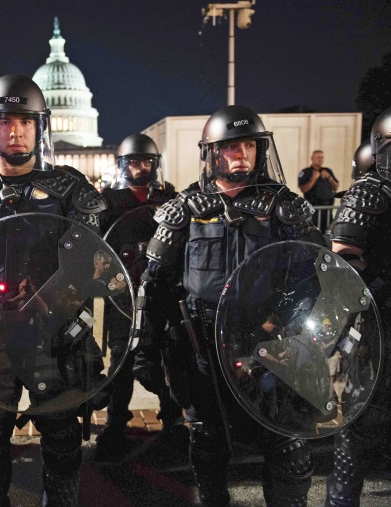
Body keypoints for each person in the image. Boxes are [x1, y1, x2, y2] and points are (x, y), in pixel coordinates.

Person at [135, 105, 324, 506]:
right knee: (207, 444)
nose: (240, 154)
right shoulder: (183, 211)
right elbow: (154, 288)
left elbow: (314, 278)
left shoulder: (285, 208)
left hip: (273, 347)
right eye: (230, 147)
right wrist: (146, 351)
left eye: (248, 146)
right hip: (202, 349)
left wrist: (280, 323)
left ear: (260, 151)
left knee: (288, 448)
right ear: (212, 154)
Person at [0, 74, 108, 506]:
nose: (15, 131)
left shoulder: (70, 191)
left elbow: (91, 272)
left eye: (25, 122)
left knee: (63, 441)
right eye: (5, 121)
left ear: (39, 127)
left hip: (55, 336)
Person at [324, 102, 391, 506]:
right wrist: (387, 294)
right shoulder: (370, 191)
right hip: (378, 326)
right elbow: (342, 259)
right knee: (359, 428)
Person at [96, 133, 182, 461]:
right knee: (121, 363)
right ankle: (116, 425)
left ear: (154, 165)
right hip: (123, 295)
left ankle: (173, 420)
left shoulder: (167, 198)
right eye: (133, 162)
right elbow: (98, 248)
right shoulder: (108, 202)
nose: (139, 167)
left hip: (160, 293)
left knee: (167, 359)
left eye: (145, 161)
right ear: (123, 165)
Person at [298, 150, 339, 233]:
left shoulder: (327, 171)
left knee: (328, 232)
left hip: (327, 210)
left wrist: (329, 177)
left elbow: (336, 187)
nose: (320, 159)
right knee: (313, 232)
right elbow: (303, 189)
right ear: (312, 158)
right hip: (313, 210)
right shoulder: (305, 172)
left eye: (322, 157)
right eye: (318, 157)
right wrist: (314, 178)